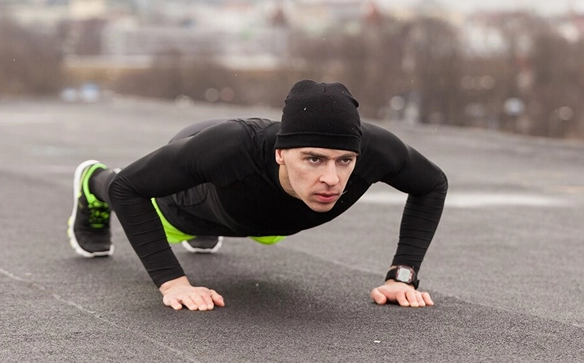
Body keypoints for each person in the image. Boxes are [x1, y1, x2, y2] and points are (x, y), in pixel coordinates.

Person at [67, 80, 448, 311]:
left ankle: (222, 219)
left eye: (344, 160)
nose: (332, 178)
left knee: (266, 226)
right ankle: (91, 181)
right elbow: (129, 189)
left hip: (265, 214)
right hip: (194, 190)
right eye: (313, 159)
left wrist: (403, 276)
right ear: (280, 153)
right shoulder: (230, 149)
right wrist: (174, 283)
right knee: (167, 215)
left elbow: (432, 184)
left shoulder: (377, 150)